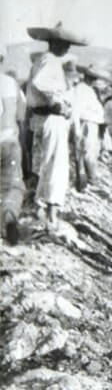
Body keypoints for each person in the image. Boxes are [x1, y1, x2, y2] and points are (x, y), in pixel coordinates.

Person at [26, 22, 88, 232]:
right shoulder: (50, 61)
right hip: (52, 118)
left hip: (46, 118)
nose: (67, 48)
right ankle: (50, 213)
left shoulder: (47, 61)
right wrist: (57, 103)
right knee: (55, 165)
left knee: (46, 163)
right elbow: (39, 83)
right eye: (64, 44)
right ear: (55, 43)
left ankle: (41, 207)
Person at [0, 43, 27, 245]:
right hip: (7, 139)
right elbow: (17, 116)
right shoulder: (9, 83)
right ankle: (9, 217)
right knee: (13, 185)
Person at [68, 62, 106, 191]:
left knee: (90, 151)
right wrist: (77, 128)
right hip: (86, 123)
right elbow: (76, 110)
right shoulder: (81, 89)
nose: (93, 80)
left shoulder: (90, 90)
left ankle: (90, 178)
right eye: (91, 77)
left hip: (92, 123)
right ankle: (89, 179)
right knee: (86, 152)